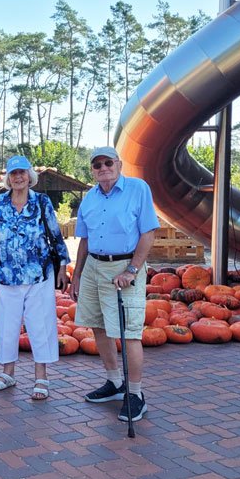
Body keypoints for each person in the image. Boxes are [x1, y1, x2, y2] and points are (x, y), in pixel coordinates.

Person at [71, 146, 159, 422]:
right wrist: (77, 274)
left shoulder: (137, 189)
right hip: (94, 267)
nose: (103, 168)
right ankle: (115, 382)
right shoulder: (89, 198)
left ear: (119, 164)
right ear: (92, 171)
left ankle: (136, 394)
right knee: (97, 325)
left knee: (129, 331)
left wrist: (132, 269)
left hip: (124, 267)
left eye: (108, 162)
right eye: (97, 165)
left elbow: (148, 232)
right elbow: (84, 240)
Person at [0, 155, 70, 400]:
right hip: (5, 275)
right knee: (6, 326)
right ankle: (7, 373)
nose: (18, 177)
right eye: (13, 173)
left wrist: (62, 266)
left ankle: (41, 376)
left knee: (40, 325)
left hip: (38, 274)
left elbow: (55, 234)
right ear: (8, 178)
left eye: (22, 173)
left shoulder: (42, 202)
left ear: (29, 176)